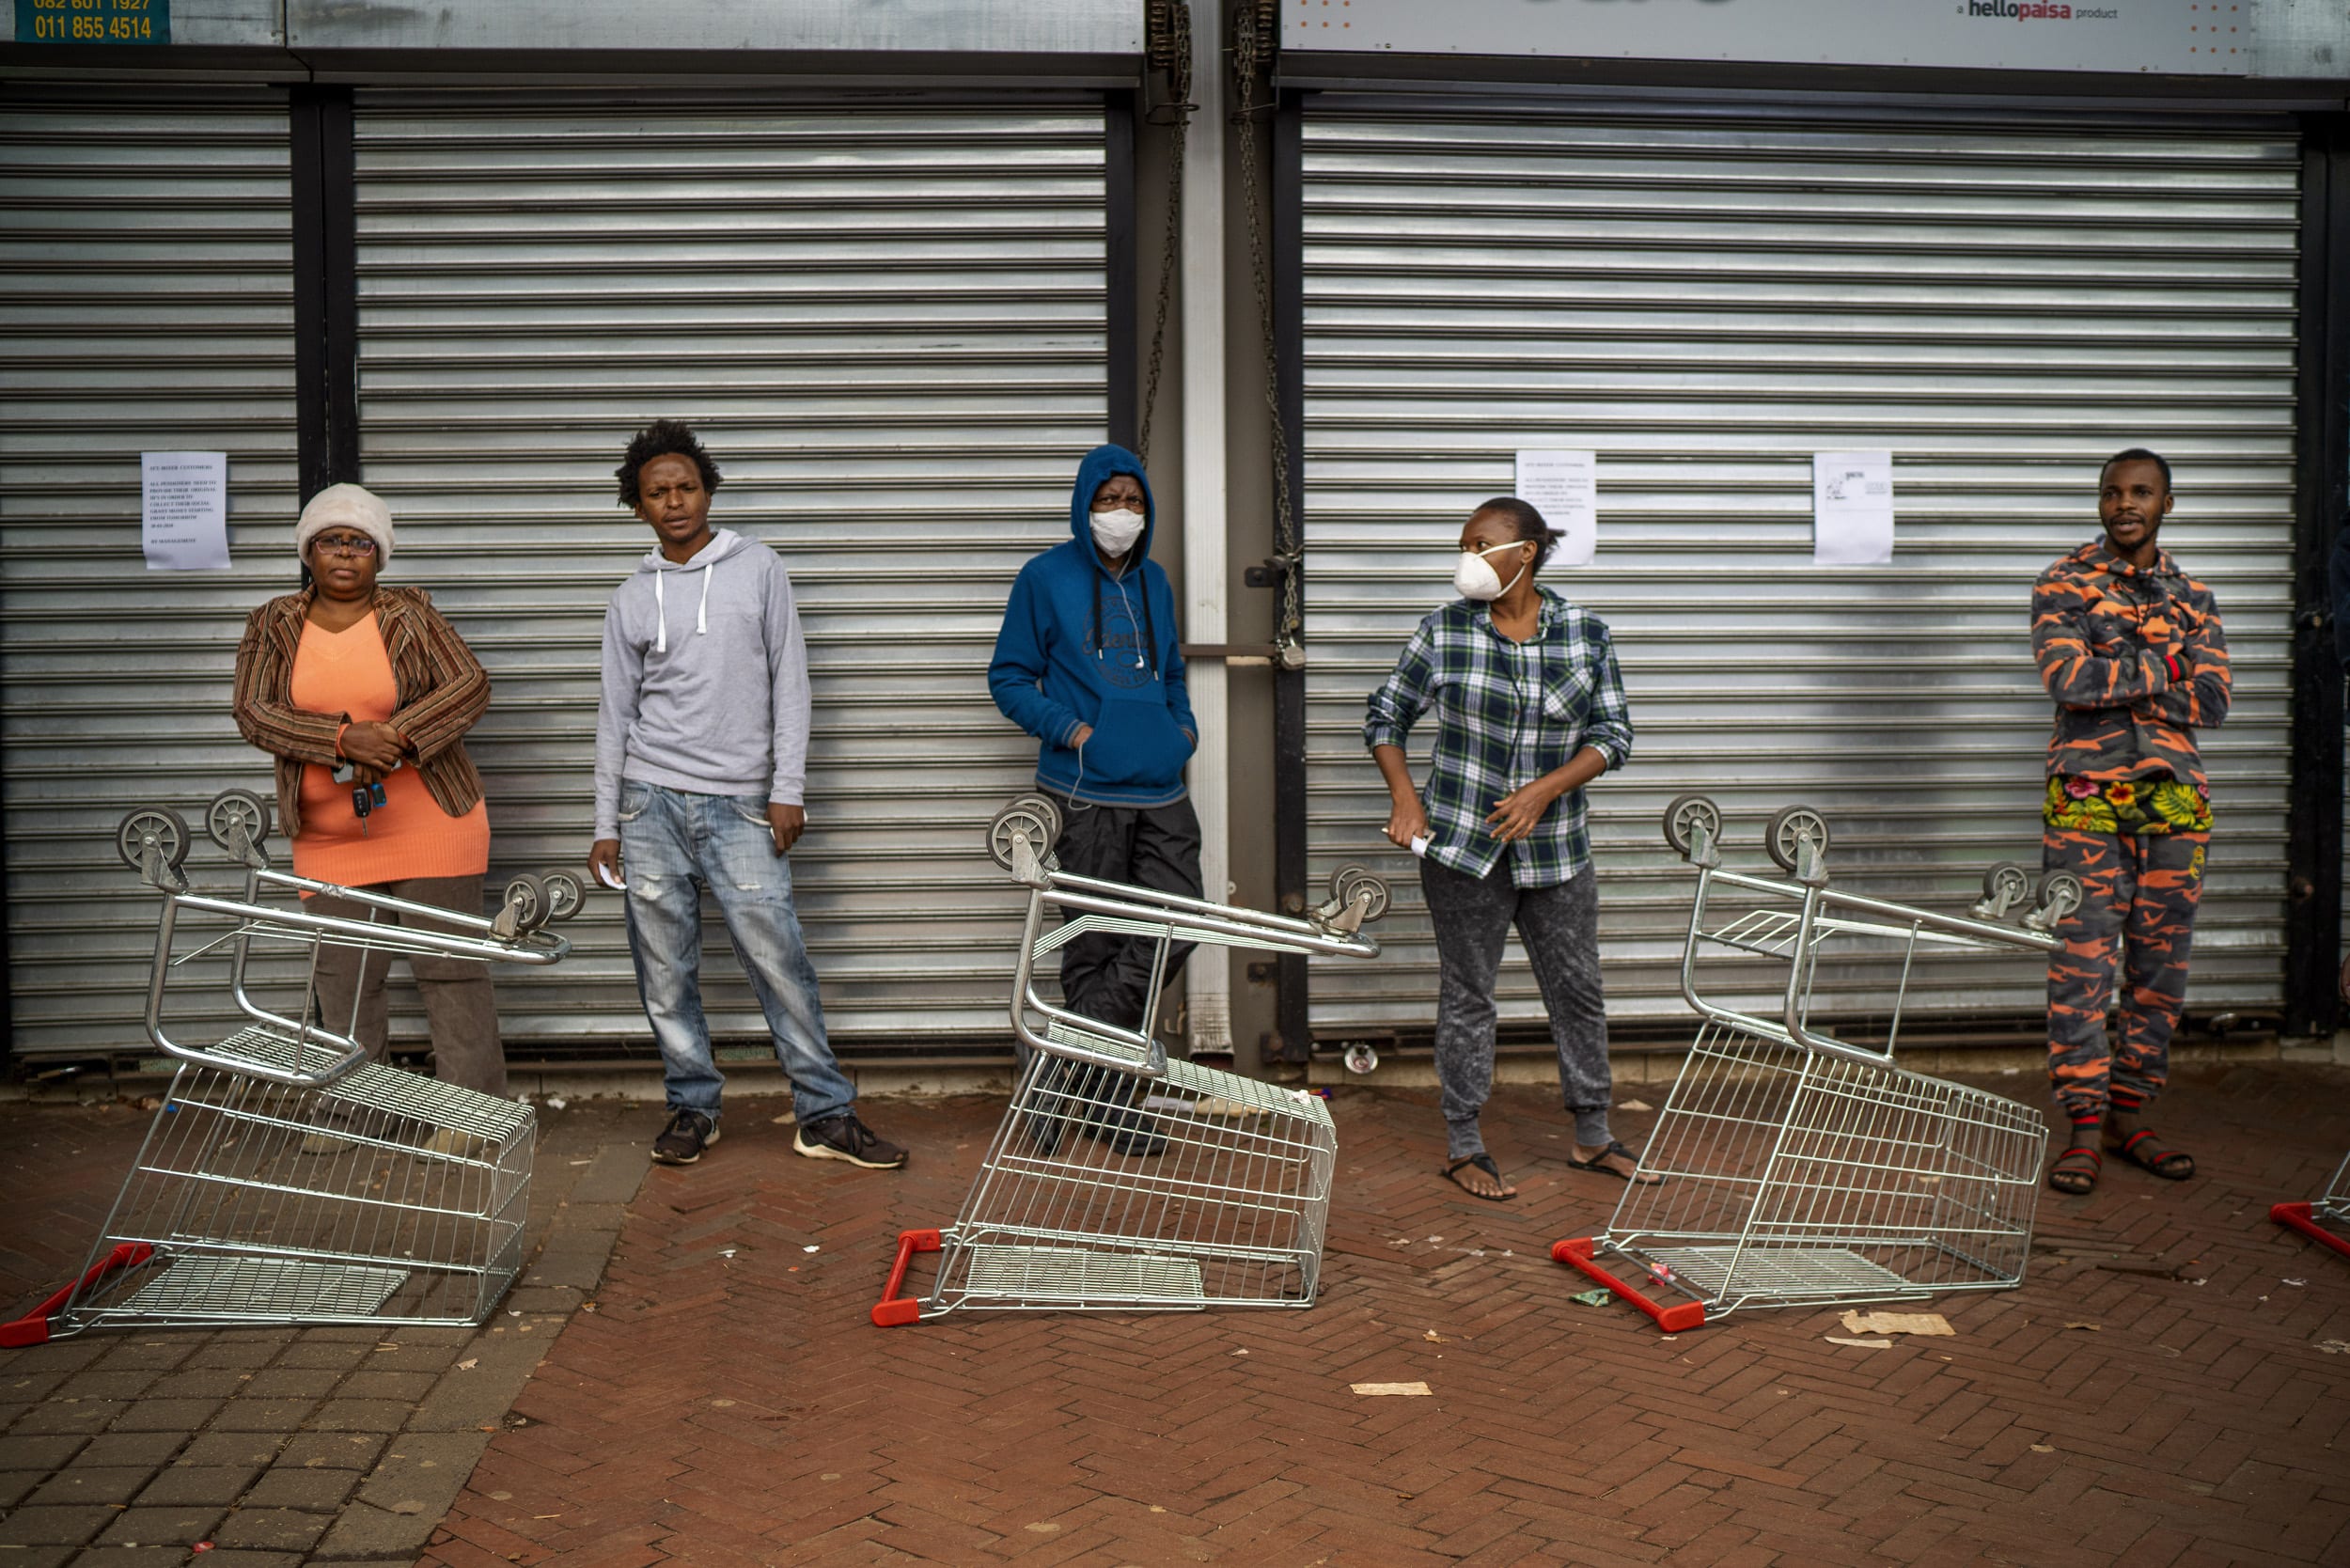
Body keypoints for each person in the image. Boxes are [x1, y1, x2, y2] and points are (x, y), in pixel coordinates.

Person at [589, 419, 906, 1171]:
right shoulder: (632, 598)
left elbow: (789, 684)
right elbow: (614, 717)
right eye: (657, 493)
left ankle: (824, 1113)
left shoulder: (758, 568)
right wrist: (607, 823)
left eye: (686, 487)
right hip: (650, 804)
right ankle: (692, 1107)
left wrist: (786, 788)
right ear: (638, 508)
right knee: (665, 972)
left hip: (739, 806)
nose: (675, 503)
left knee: (780, 961)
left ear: (708, 490)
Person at [1364, 497, 1642, 1201]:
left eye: (1480, 543)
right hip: (1462, 849)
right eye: (1462, 543)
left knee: (1578, 991)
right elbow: (1384, 714)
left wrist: (1544, 791)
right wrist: (1405, 797)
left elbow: (1613, 735)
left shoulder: (1585, 634)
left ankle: (1593, 1134)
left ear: (1524, 553)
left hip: (1558, 854)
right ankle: (1464, 1143)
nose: (1467, 556)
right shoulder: (1444, 632)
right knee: (1469, 996)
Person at [232, 482, 505, 1097]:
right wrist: (341, 740)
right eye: (331, 540)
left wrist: (400, 738)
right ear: (309, 551)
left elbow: (470, 685)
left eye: (360, 542)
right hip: (329, 837)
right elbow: (252, 711)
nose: (346, 553)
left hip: (433, 822)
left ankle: (472, 1112)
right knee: (345, 979)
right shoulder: (272, 623)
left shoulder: (411, 614)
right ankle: (356, 1111)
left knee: (450, 970)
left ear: (380, 555)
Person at [987, 445, 1198, 1154]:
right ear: (1084, 505)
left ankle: (1057, 1068)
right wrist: (1074, 730)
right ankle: (1108, 1105)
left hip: (1162, 787)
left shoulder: (1156, 582)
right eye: (1108, 499)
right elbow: (1009, 678)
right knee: (1093, 942)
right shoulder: (1045, 578)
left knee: (1179, 922)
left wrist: (1183, 729)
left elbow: (1171, 673)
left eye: (1133, 501)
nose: (1122, 513)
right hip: (1083, 790)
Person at [2034, 448, 2230, 1195]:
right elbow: (2068, 680)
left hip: (2175, 799)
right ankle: (2083, 1125)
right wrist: (2172, 666)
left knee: (2160, 971)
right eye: (2113, 492)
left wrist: (2131, 677)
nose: (2126, 504)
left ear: (2166, 504)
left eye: (2142, 492)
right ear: (2099, 501)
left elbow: (2215, 701)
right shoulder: (2062, 583)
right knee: (2081, 964)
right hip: (2085, 796)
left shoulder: (2195, 595)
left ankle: (2129, 1114)